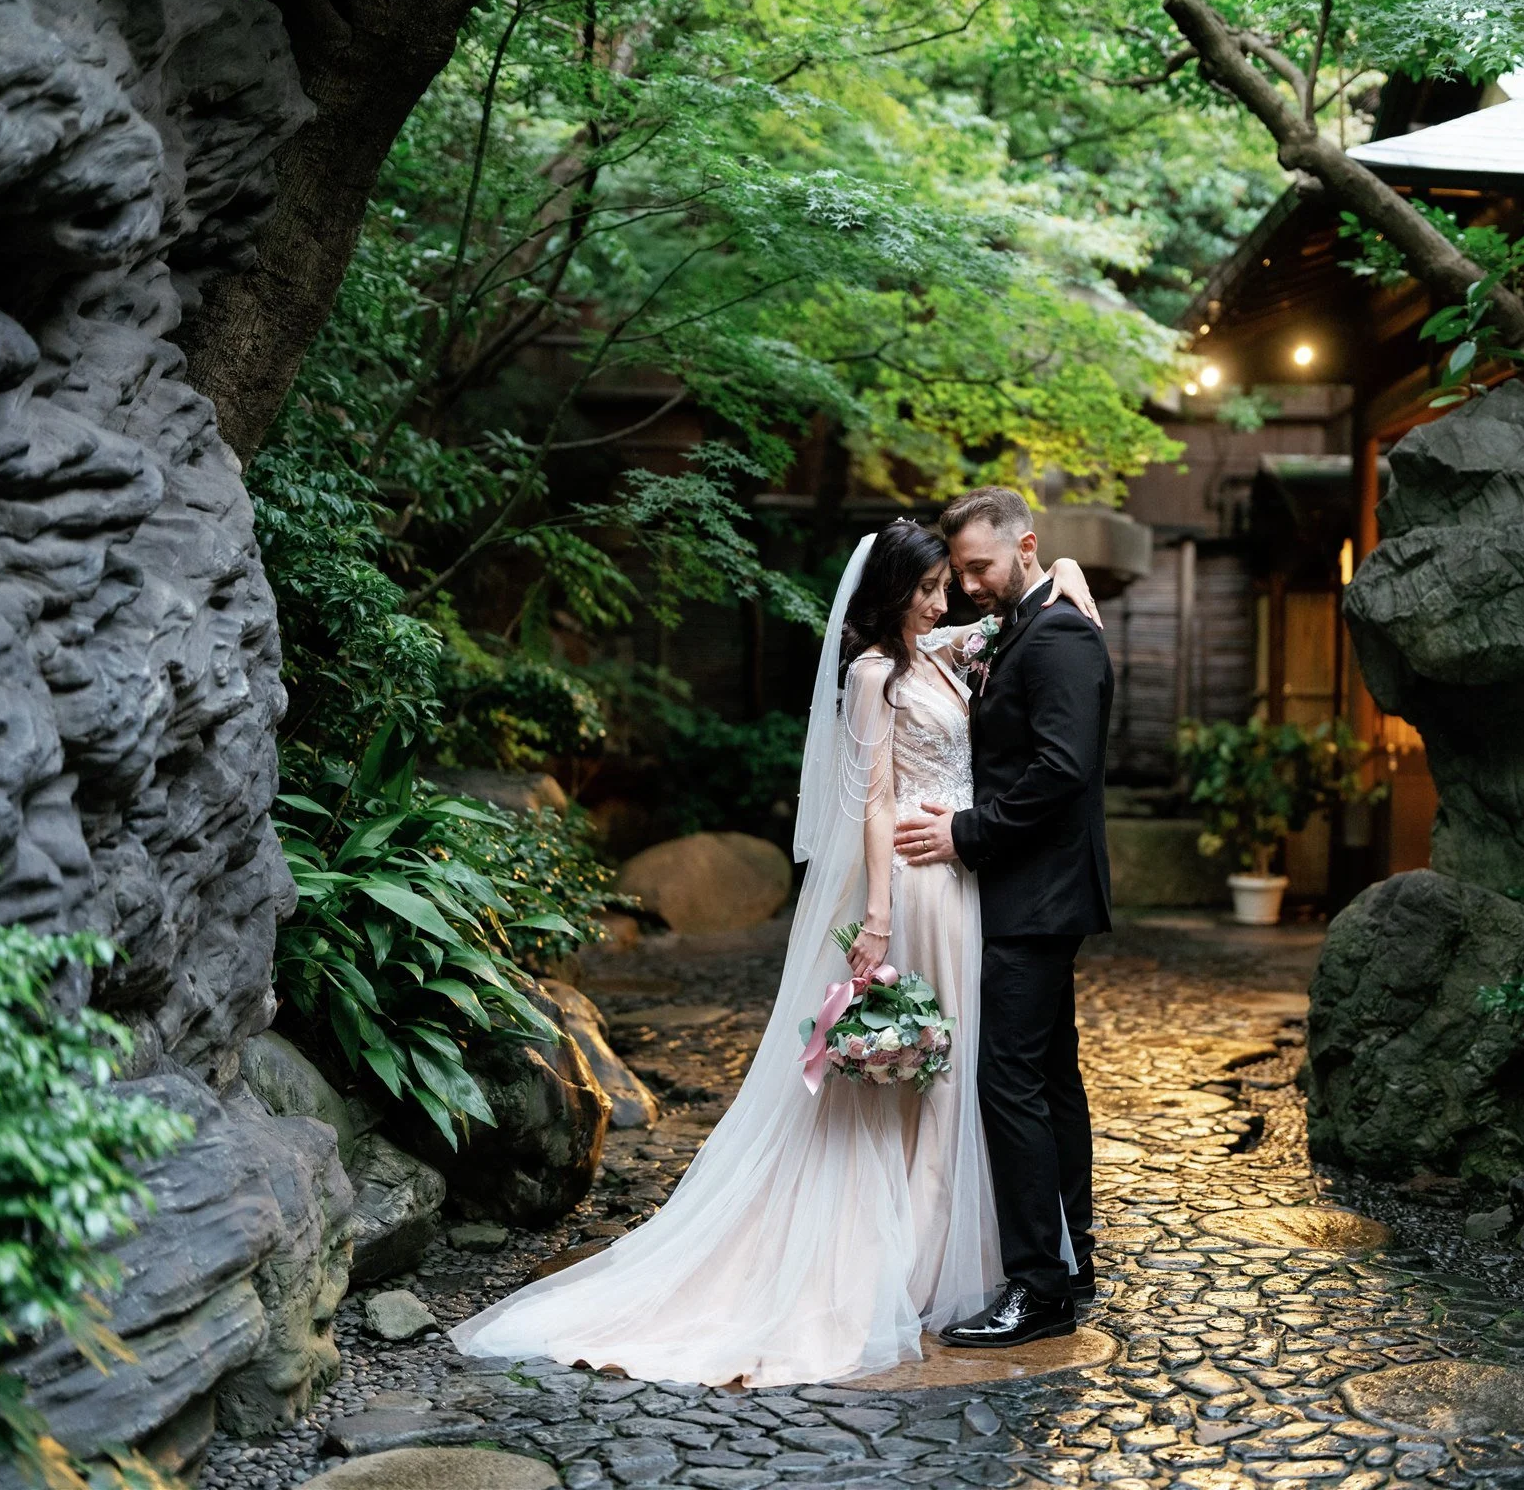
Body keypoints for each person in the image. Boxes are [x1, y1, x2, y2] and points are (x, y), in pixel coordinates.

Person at [447, 520, 1099, 1387]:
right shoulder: (874, 673)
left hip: (966, 885)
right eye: (931, 587)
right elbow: (870, 800)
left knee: (968, 1072)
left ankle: (972, 1258)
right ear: (896, 592)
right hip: (914, 883)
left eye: (953, 583)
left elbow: (1018, 602)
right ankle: (908, 1261)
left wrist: (1061, 562)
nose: (947, 600)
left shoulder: (942, 649)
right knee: (933, 1074)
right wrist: (873, 917)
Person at [894, 487, 1114, 1349]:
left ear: (1024, 547)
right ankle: (1072, 1254)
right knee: (1053, 1078)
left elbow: (1064, 771)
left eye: (981, 567)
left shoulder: (1058, 633)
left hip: (1036, 894)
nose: (969, 585)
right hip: (1032, 893)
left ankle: (1037, 1288)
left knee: (1009, 1081)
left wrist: (964, 834)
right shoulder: (1022, 616)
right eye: (960, 571)